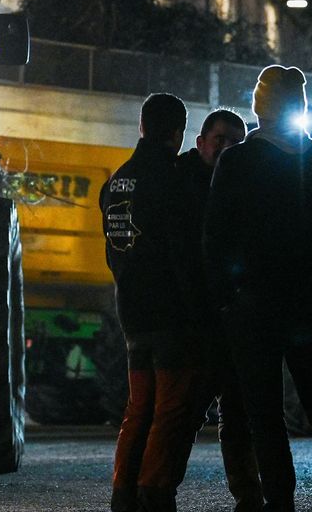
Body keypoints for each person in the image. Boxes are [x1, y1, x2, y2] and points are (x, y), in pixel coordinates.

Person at [205, 66, 312, 512]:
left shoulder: (238, 161)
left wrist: (228, 298)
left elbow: (217, 236)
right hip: (309, 305)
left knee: (264, 414)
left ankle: (280, 500)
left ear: (260, 107)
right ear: (300, 107)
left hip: (253, 307)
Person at [102, 92, 201, 512]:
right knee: (170, 410)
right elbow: (183, 252)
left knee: (138, 407)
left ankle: (123, 493)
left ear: (141, 127)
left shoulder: (117, 180)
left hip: (132, 313)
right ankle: (154, 493)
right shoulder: (173, 179)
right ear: (178, 133)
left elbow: (113, 252)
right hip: (169, 313)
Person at [173, 109, 262, 511]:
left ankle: (247, 496)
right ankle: (160, 489)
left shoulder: (239, 184)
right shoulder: (184, 181)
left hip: (234, 318)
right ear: (201, 142)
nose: (227, 149)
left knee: (237, 415)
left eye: (235, 142)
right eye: (220, 139)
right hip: (198, 320)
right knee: (187, 412)